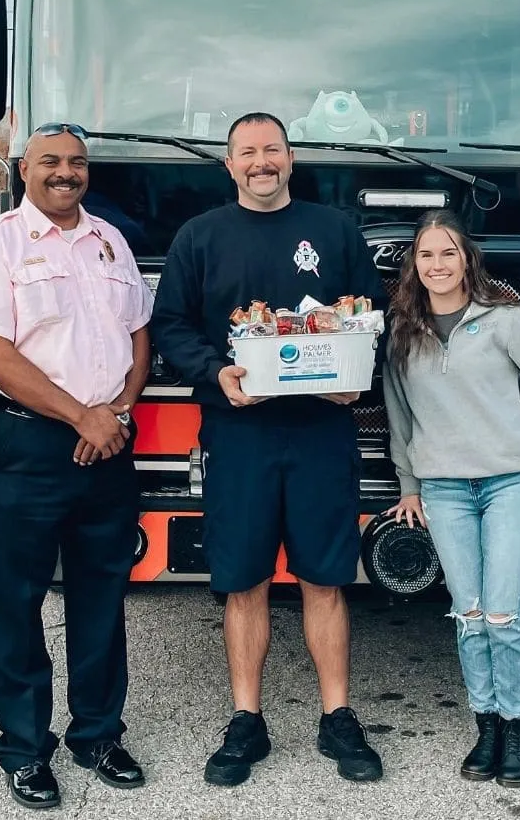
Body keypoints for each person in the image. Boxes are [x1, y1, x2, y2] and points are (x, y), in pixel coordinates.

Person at [151, 111, 388, 787]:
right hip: (239, 434)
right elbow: (170, 324)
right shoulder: (200, 237)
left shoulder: (335, 230)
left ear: (291, 158)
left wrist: (356, 379)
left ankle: (337, 716)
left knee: (325, 578)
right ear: (229, 165)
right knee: (243, 579)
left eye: (273, 150)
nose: (262, 162)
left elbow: (369, 315)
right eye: (248, 152)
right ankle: (246, 719)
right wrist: (214, 371)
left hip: (321, 432)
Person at [0, 123, 153, 810]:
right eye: (50, 161)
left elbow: (139, 332)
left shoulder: (110, 240)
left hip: (108, 443)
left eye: (76, 162)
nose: (65, 172)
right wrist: (81, 416)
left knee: (103, 593)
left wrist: (118, 412)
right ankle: (23, 749)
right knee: (18, 599)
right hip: (33, 445)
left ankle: (97, 734)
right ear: (23, 169)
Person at [382, 209, 520, 789]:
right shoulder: (403, 332)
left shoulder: (504, 320)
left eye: (448, 253)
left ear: (467, 260)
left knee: (503, 613)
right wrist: (409, 486)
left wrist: (514, 405)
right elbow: (399, 414)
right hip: (443, 489)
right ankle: (486, 726)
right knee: (468, 614)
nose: (437, 265)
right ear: (414, 266)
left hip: (508, 482)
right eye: (426, 255)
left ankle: (517, 729)